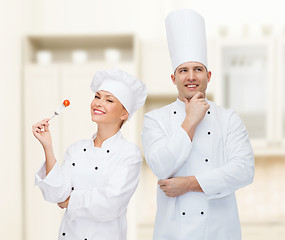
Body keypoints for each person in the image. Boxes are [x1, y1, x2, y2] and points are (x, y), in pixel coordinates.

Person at [141, 9, 255, 240]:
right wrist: (190, 120)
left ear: (208, 75)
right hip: (173, 233)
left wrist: (190, 184)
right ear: (174, 78)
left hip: (220, 232)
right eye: (183, 70)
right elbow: (161, 168)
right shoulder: (155, 120)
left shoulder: (228, 118)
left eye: (198, 69)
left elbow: (244, 170)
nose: (191, 77)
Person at [33, 69, 147, 240]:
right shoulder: (76, 150)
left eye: (109, 100)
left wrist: (70, 201)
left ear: (124, 114)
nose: (99, 103)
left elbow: (111, 203)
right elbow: (55, 194)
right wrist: (47, 147)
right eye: (97, 96)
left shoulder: (129, 154)